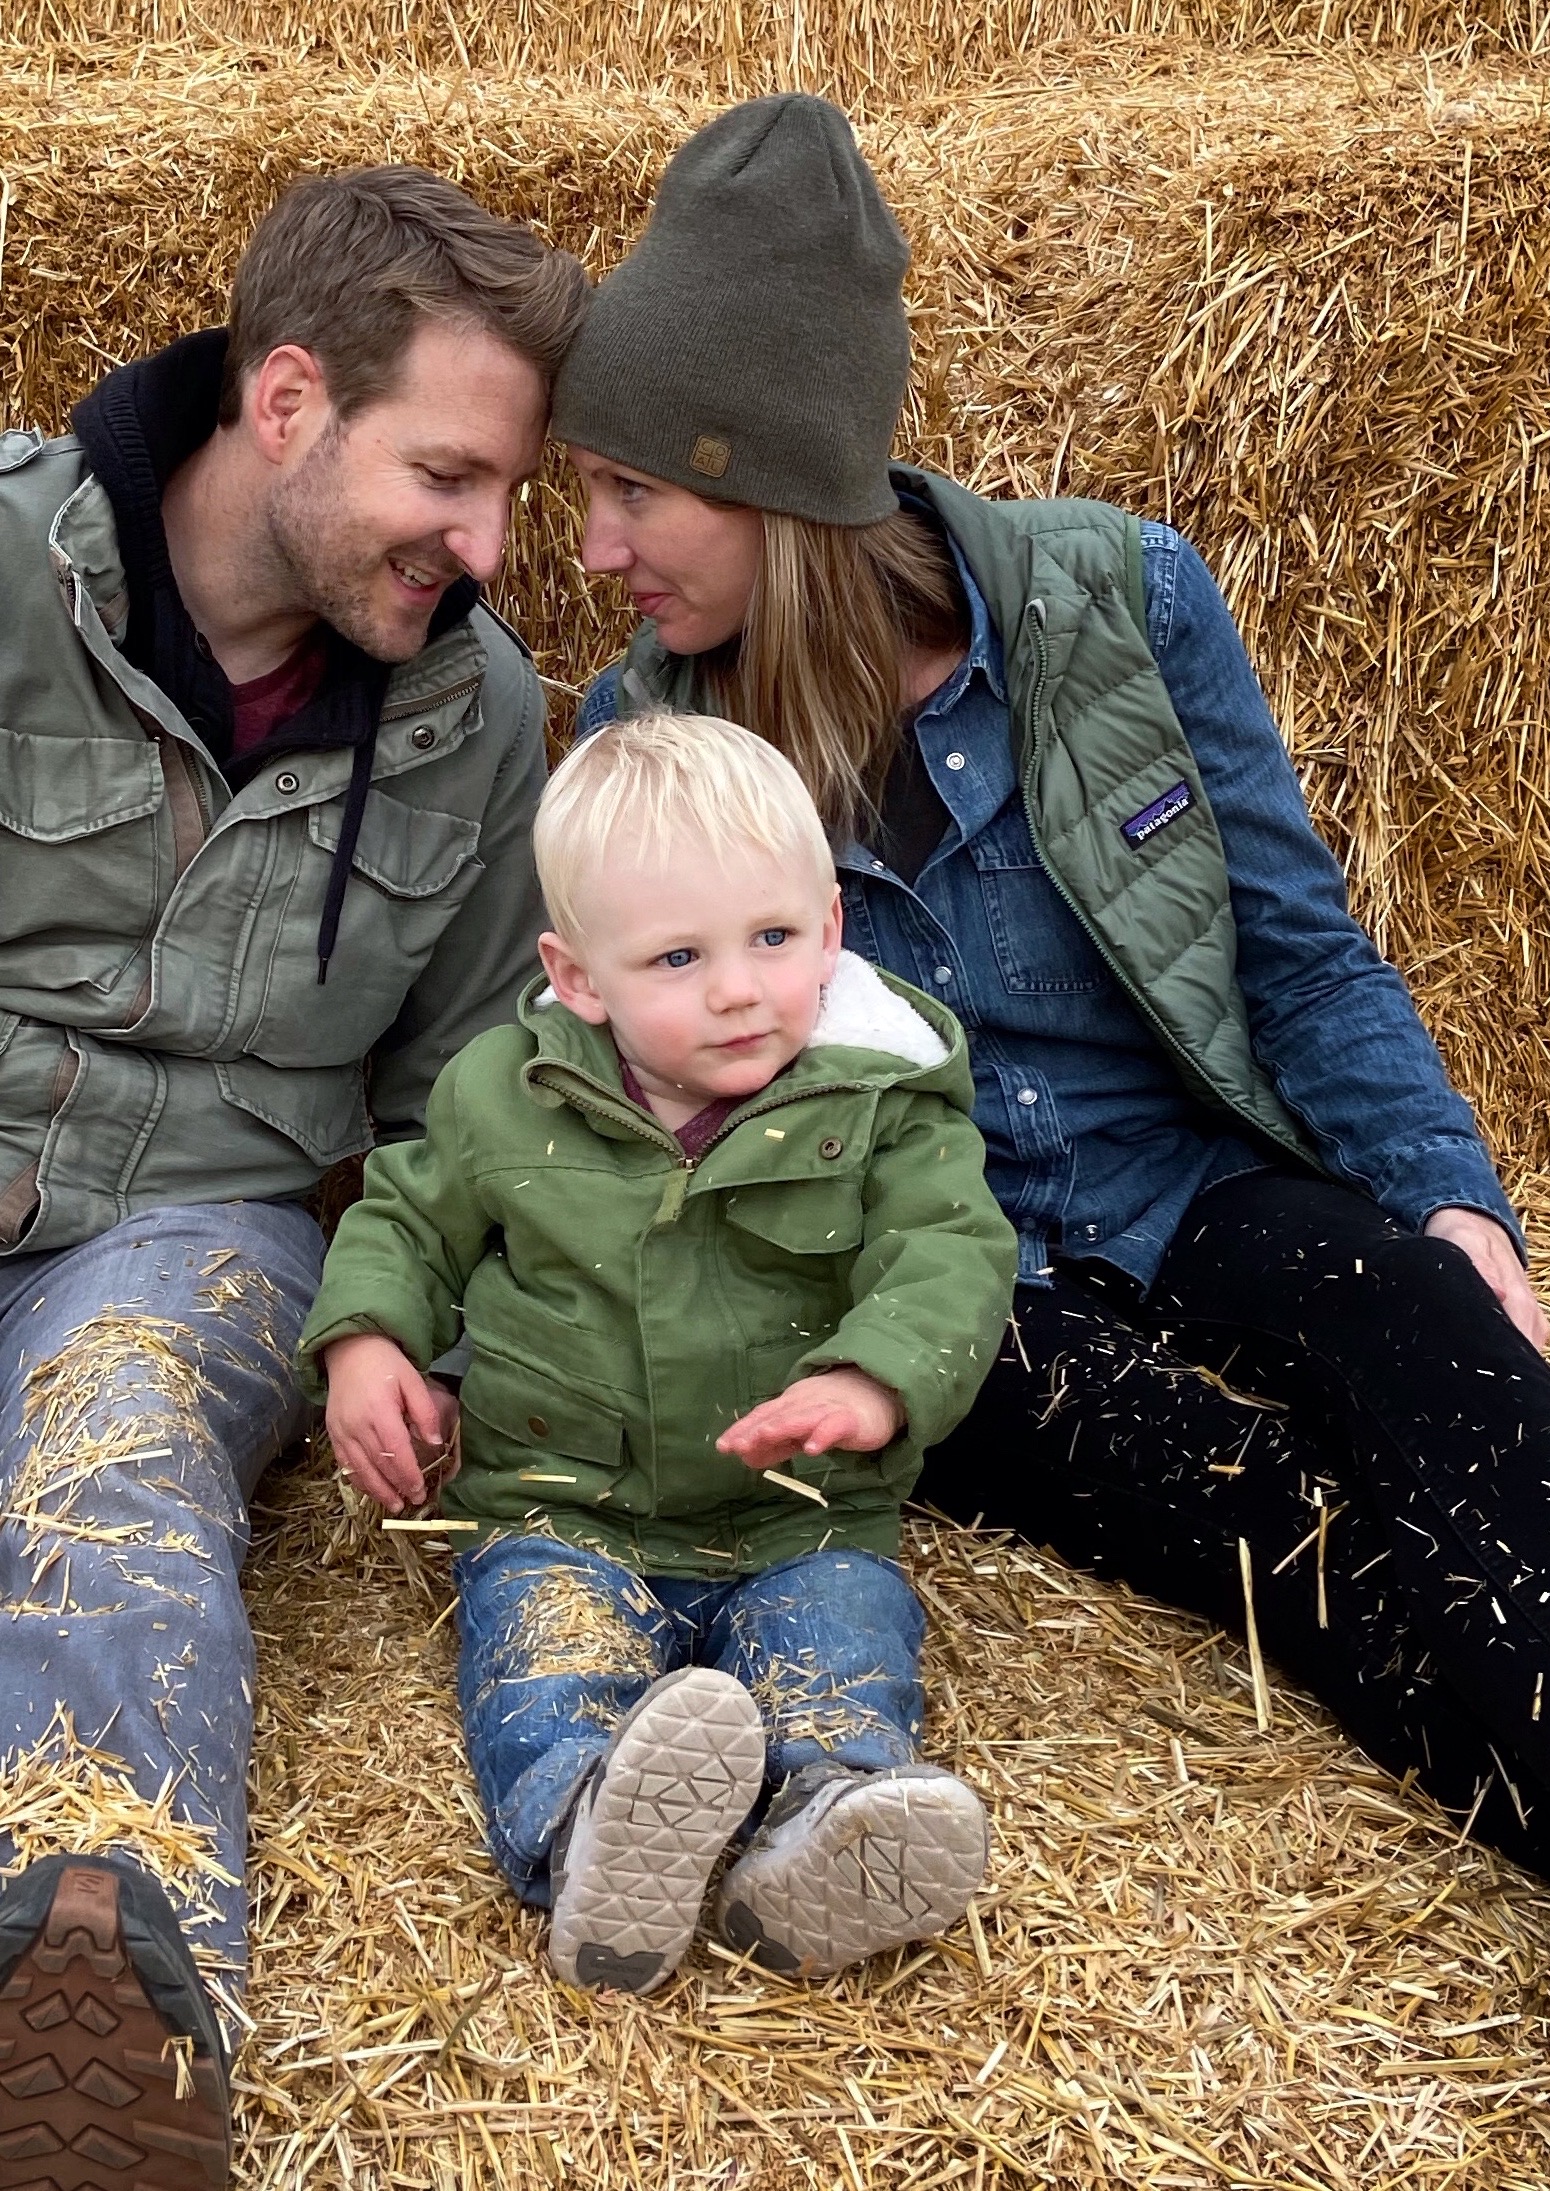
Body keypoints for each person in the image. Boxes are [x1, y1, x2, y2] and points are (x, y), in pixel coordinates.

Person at [549, 92, 1550, 1938]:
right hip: (953, 1277)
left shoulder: (1110, 601)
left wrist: (1447, 1198)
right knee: (1267, 1525)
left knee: (1403, 1318)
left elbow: (1294, 953)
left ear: (771, 476)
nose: (590, 550)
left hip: (1183, 1176)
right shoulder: (639, 754)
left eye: (629, 490)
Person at [0, 167, 586, 2184]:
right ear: (285, 407)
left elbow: (459, 1107)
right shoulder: (8, 567)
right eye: (448, 473)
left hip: (194, 1224)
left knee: (120, 1438)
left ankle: (97, 1968)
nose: (489, 544)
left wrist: (419, 1324)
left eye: (509, 489)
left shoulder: (476, 715)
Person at [298, 712, 1017, 1994]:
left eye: (775, 939)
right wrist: (365, 1340)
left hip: (795, 1517)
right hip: (562, 1502)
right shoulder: (502, 1092)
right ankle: (590, 1829)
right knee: (543, 1658)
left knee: (839, 1652)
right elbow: (404, 1218)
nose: (741, 988)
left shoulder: (882, 1102)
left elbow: (950, 1253)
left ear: (833, 930)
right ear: (580, 981)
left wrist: (872, 1377)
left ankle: (821, 1833)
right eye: (681, 956)